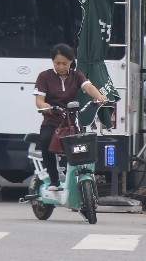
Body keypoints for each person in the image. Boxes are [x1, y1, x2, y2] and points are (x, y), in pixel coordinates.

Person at [33, 43, 107, 187]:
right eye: (57, 63)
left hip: (71, 122)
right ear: (52, 62)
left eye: (64, 63)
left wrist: (99, 96)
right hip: (51, 121)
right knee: (46, 141)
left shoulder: (77, 75)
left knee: (79, 149)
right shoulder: (44, 76)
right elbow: (39, 100)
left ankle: (74, 182)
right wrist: (44, 106)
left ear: (71, 61)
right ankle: (54, 180)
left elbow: (88, 87)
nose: (61, 67)